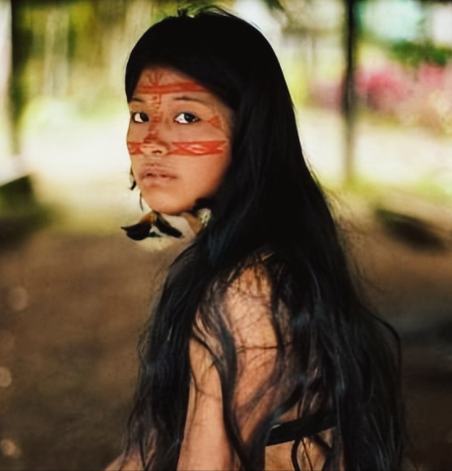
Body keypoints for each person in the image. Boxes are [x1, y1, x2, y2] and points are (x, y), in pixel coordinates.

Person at [107, 7, 404, 471]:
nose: (152, 141)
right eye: (140, 114)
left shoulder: (246, 292)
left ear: (249, 131)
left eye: (186, 117)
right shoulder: (253, 253)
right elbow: (146, 452)